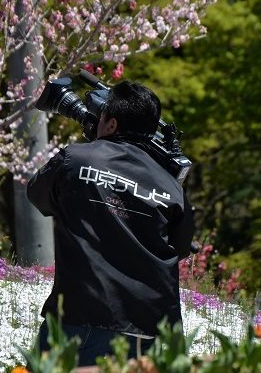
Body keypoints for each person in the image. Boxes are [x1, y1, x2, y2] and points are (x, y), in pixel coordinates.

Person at [27, 80, 194, 366]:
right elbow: (180, 247)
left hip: (80, 317)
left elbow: (39, 196)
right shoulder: (171, 187)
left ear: (112, 124)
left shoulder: (75, 159)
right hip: (149, 331)